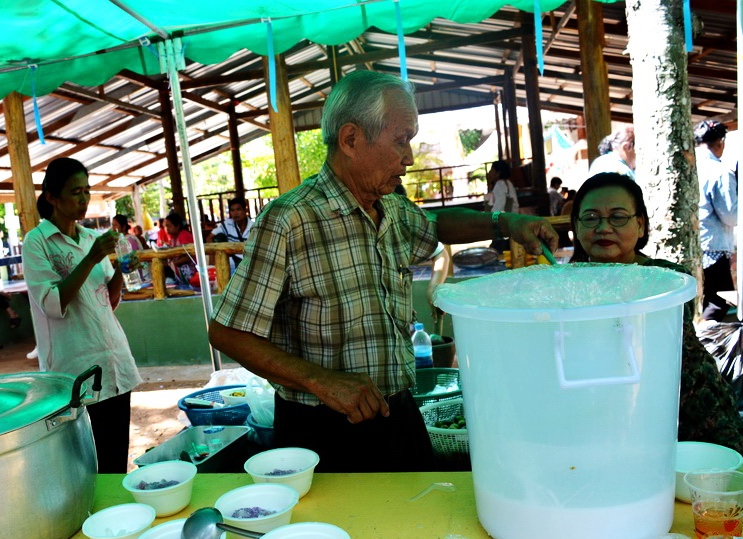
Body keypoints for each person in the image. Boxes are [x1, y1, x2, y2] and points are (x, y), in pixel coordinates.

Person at [208, 70, 558, 473]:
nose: (409, 157)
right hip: (321, 429)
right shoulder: (290, 220)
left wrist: (505, 223)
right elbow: (227, 333)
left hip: (398, 414)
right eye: (401, 139)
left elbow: (436, 225)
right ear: (351, 139)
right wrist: (322, 380)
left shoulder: (390, 208)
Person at [569, 172, 743, 456]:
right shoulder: (565, 285)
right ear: (576, 227)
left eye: (618, 217)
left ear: (640, 225)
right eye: (590, 218)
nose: (603, 228)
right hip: (604, 425)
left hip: (688, 421)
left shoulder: (667, 280)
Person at [22, 157, 142, 473]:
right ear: (52, 197)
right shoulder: (37, 242)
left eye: (87, 191)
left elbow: (108, 300)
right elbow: (52, 304)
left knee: (115, 463)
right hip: (74, 368)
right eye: (76, 192)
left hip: (112, 361)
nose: (84, 199)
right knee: (87, 467)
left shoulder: (90, 238)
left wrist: (122, 270)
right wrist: (90, 259)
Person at [695, 120, 737, 321]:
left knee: (703, 299)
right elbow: (730, 215)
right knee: (718, 300)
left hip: (695, 244)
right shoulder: (719, 172)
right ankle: (704, 337)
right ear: (720, 143)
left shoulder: (688, 167)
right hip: (713, 246)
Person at [207, 196, 252, 268]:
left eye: (238, 209)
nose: (235, 213)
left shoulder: (254, 227)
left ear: (245, 210)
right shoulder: (227, 224)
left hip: (249, 263)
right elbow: (209, 238)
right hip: (230, 265)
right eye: (232, 210)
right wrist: (212, 264)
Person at [161, 210, 195, 286]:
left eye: (169, 226)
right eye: (165, 226)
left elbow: (189, 256)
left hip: (191, 270)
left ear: (177, 226)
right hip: (180, 269)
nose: (167, 229)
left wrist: (173, 264)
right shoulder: (172, 239)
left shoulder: (183, 235)